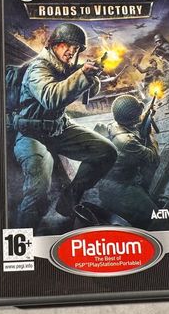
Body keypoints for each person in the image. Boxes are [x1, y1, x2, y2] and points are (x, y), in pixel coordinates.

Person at [13, 23, 117, 230]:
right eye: (66, 45)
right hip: (31, 133)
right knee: (38, 190)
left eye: (76, 48)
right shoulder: (39, 68)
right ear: (54, 45)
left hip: (59, 128)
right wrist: (82, 75)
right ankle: (24, 235)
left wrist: (91, 75)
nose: (71, 51)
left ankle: (68, 202)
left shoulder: (65, 67)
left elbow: (84, 91)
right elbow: (51, 97)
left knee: (106, 152)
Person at [95, 94, 160, 228]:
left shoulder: (114, 125)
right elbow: (153, 159)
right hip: (120, 190)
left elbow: (132, 125)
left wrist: (146, 117)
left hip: (108, 184)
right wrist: (150, 134)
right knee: (156, 217)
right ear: (133, 118)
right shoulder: (127, 142)